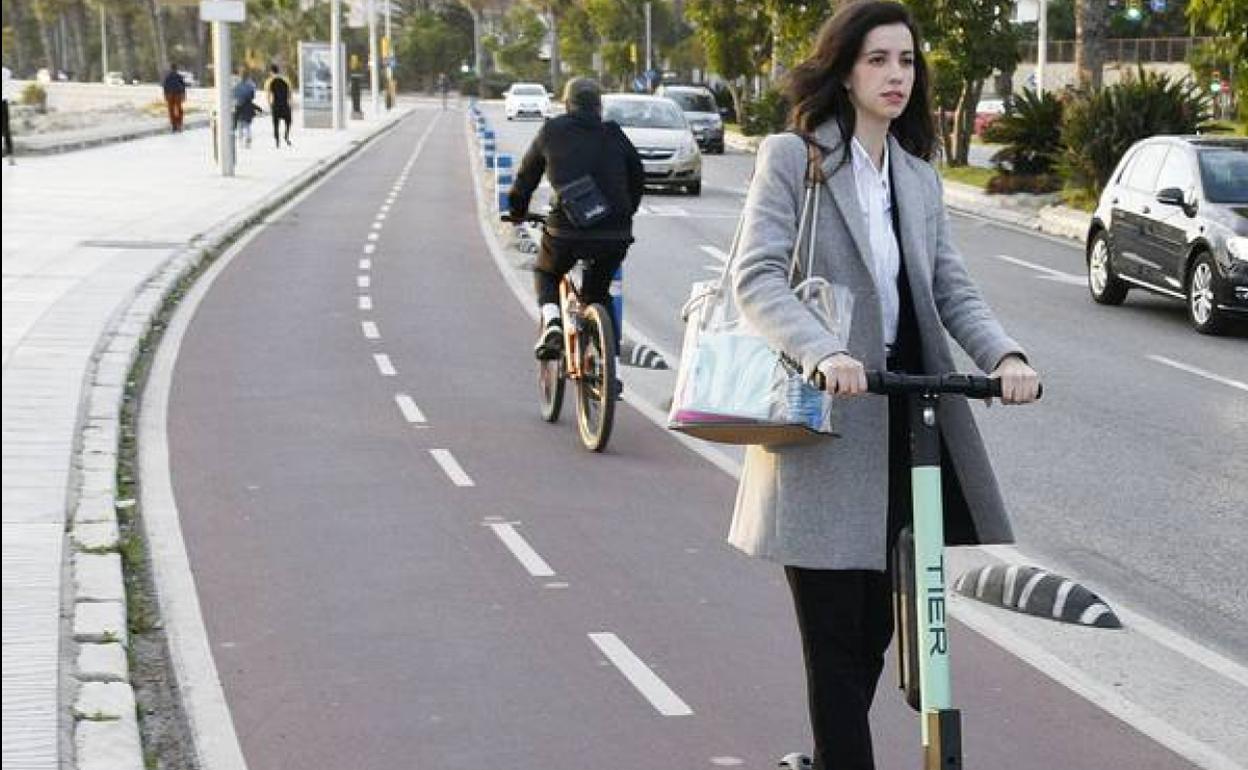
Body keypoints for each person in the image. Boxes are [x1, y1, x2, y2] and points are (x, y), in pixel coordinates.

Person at [726, 3, 1041, 769]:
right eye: (878, 60)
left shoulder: (919, 178)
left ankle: (828, 757)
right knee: (834, 638)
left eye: (906, 61)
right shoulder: (793, 158)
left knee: (878, 632)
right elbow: (757, 276)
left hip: (906, 426)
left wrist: (1004, 356)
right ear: (842, 69)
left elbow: (948, 287)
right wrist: (823, 350)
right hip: (827, 424)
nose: (896, 75)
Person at [508, 77, 645, 361]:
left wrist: (518, 211)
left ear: (567, 104)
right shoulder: (614, 133)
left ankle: (553, 322)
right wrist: (625, 212)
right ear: (599, 107)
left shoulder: (551, 131)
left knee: (546, 271)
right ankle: (609, 364)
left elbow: (525, 178)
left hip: (566, 231)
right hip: (615, 233)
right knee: (598, 293)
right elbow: (638, 176)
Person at [264, 63, 293, 147]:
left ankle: (277, 141)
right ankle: (286, 135)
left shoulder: (269, 81)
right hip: (285, 104)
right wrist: (289, 102)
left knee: (275, 124)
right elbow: (290, 92)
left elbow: (268, 94)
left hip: (275, 105)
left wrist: (270, 104)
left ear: (271, 72)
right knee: (288, 121)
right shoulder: (286, 80)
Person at [232, 68, 260, 148]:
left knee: (240, 124)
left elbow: (234, 95)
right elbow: (252, 96)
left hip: (239, 106)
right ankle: (248, 138)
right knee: (247, 124)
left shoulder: (236, 86)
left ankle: (241, 140)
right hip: (247, 106)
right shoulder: (250, 86)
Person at [161, 66, 187, 132]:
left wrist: (165, 95)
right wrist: (183, 95)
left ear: (171, 69)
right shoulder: (179, 76)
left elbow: (165, 86)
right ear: (176, 69)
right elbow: (183, 86)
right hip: (177, 94)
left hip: (170, 94)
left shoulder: (167, 77)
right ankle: (179, 124)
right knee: (179, 109)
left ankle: (174, 125)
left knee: (171, 110)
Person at [2, 64, 15, 164]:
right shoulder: (6, 71)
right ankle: (10, 155)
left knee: (6, 130)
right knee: (6, 129)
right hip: (4, 103)